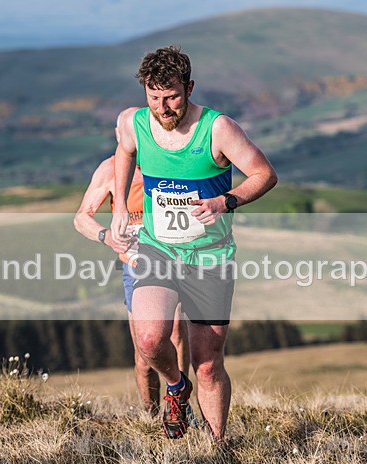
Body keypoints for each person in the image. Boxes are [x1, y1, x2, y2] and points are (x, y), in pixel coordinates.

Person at [111, 46, 278, 442]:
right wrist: (119, 206)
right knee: (150, 340)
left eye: (171, 97)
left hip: (209, 257)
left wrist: (226, 201)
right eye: (154, 97)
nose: (163, 107)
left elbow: (264, 174)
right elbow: (124, 152)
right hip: (157, 249)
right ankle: (175, 387)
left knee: (206, 363)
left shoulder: (218, 129)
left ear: (188, 88)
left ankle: (218, 448)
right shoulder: (132, 123)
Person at [74, 108, 191, 417]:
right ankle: (150, 414)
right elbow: (81, 217)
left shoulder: (168, 162)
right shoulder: (109, 170)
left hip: (173, 259)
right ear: (118, 136)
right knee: (144, 350)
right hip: (134, 265)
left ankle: (179, 405)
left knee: (176, 333)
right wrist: (105, 236)